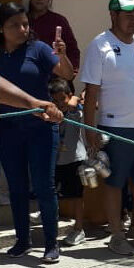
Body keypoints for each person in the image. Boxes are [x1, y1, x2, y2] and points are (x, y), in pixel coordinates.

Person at [80, 0, 134, 256]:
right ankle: (116, 235)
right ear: (113, 15)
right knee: (114, 183)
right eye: (127, 15)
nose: (133, 20)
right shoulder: (99, 45)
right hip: (114, 127)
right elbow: (91, 92)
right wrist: (90, 131)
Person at [0, 2, 75, 262]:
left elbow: (66, 74)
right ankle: (22, 241)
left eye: (25, 23)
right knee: (17, 187)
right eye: (14, 25)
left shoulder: (39, 49)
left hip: (41, 129)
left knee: (44, 186)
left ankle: (52, 243)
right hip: (8, 130)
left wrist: (62, 54)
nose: (22, 29)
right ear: (1, 29)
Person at [49, 79, 87, 247]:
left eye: (62, 99)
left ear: (69, 97)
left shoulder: (75, 112)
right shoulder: (50, 115)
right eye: (55, 100)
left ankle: (79, 229)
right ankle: (51, 226)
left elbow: (76, 104)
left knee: (77, 196)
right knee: (53, 193)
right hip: (57, 161)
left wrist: (75, 99)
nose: (59, 104)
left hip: (75, 160)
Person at [25, 0, 80, 74]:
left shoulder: (59, 21)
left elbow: (73, 50)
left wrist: (71, 73)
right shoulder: (22, 21)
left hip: (55, 80)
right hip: (28, 78)